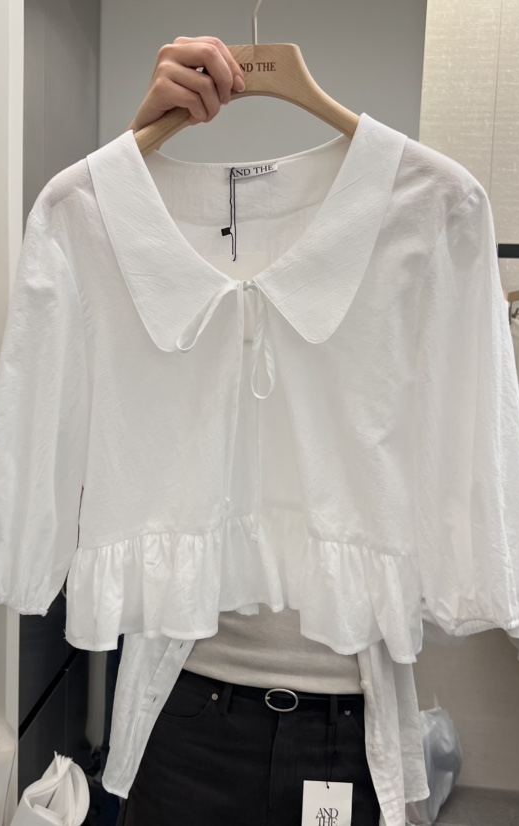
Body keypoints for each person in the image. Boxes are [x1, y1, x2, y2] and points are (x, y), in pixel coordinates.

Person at [116, 36, 381, 826]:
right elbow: (116, 407)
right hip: (184, 698)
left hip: (348, 716)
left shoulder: (412, 222)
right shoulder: (138, 235)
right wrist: (132, 157)